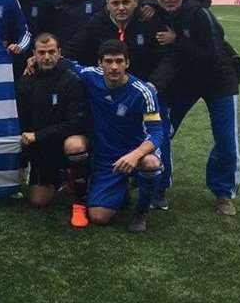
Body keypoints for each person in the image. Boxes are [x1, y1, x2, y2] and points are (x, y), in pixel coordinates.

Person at [145, 0, 240, 215]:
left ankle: (223, 193)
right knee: (161, 132)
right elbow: (138, 2)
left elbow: (212, 55)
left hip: (219, 80)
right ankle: (159, 185)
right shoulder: (161, 13)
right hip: (185, 82)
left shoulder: (200, 14)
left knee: (226, 139)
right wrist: (147, 3)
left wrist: (176, 40)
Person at [62, 39, 165, 233]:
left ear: (128, 63)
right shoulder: (90, 76)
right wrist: (32, 61)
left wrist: (135, 155)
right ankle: (117, 190)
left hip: (136, 153)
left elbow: (157, 132)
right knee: (99, 217)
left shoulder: (143, 92)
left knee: (150, 163)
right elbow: (65, 63)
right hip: (107, 158)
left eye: (119, 61)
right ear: (100, 63)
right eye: (108, 61)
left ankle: (141, 211)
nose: (114, 67)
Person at [16, 33, 91, 228]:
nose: (47, 57)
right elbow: (23, 123)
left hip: (66, 140)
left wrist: (38, 135)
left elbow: (75, 124)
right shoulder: (26, 81)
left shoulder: (72, 80)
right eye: (41, 53)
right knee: (38, 201)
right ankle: (62, 176)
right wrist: (22, 161)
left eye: (51, 52)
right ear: (34, 54)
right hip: (43, 148)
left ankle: (80, 199)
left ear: (59, 52)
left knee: (75, 145)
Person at [63, 0, 177, 97]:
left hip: (144, 90)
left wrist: (154, 84)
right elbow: (71, 50)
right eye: (115, 3)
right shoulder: (97, 23)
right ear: (108, 5)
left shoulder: (149, 20)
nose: (121, 8)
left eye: (126, 2)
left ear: (136, 2)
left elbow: (169, 55)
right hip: (107, 91)